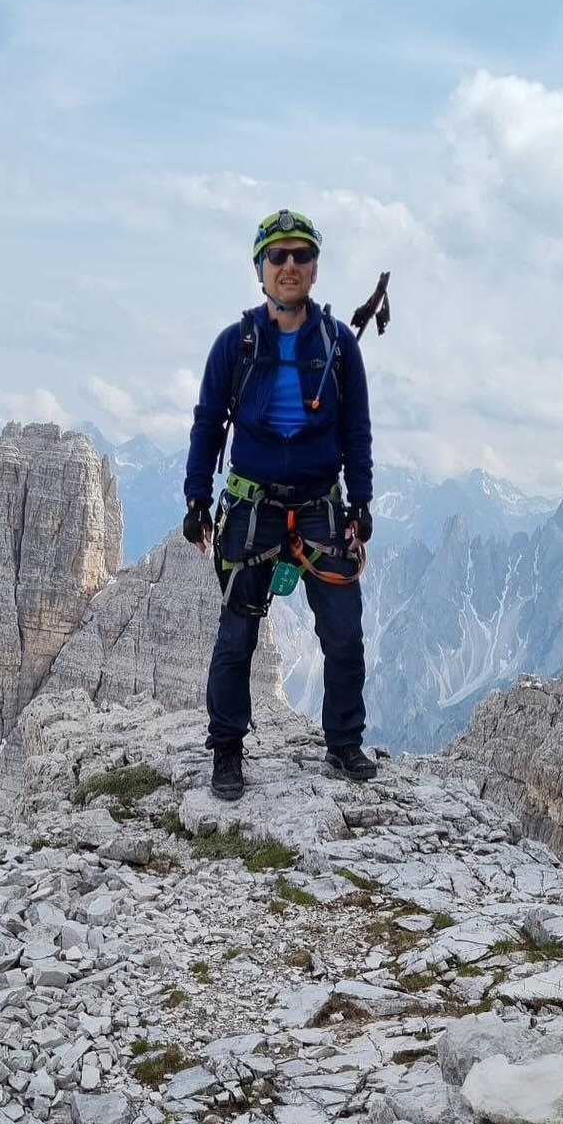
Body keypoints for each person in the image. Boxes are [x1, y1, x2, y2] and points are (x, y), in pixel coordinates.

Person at [183, 209, 378, 802]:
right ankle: (226, 751)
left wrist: (361, 502)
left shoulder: (340, 345)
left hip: (321, 504)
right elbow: (208, 424)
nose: (289, 265)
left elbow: (357, 428)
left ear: (314, 268)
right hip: (251, 505)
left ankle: (343, 743)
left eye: (301, 255)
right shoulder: (235, 344)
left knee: (343, 634)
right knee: (237, 635)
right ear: (261, 270)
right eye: (278, 256)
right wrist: (196, 497)